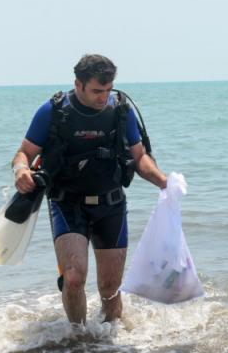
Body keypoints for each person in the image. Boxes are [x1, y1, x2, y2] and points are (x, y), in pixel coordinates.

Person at [12, 54, 167, 325]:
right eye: (97, 91)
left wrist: (164, 182)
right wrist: (21, 170)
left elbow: (141, 159)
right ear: (78, 84)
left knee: (109, 289)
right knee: (73, 278)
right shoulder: (53, 111)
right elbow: (24, 153)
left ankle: (107, 343)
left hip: (111, 205)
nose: (103, 97)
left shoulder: (121, 111)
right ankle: (77, 338)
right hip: (67, 204)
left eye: (108, 90)